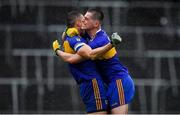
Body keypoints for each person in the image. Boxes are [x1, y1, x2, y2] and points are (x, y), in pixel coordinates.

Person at [58, 8, 135, 114]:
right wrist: (67, 31)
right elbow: (67, 34)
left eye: (86, 19)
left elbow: (77, 58)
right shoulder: (88, 36)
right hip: (109, 82)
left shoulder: (101, 39)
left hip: (119, 80)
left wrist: (58, 51)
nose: (83, 21)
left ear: (96, 23)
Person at [52, 10, 114, 114]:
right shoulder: (74, 38)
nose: (85, 22)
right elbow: (87, 54)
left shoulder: (75, 37)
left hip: (91, 82)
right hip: (88, 83)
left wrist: (58, 51)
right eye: (83, 20)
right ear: (78, 24)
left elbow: (89, 54)